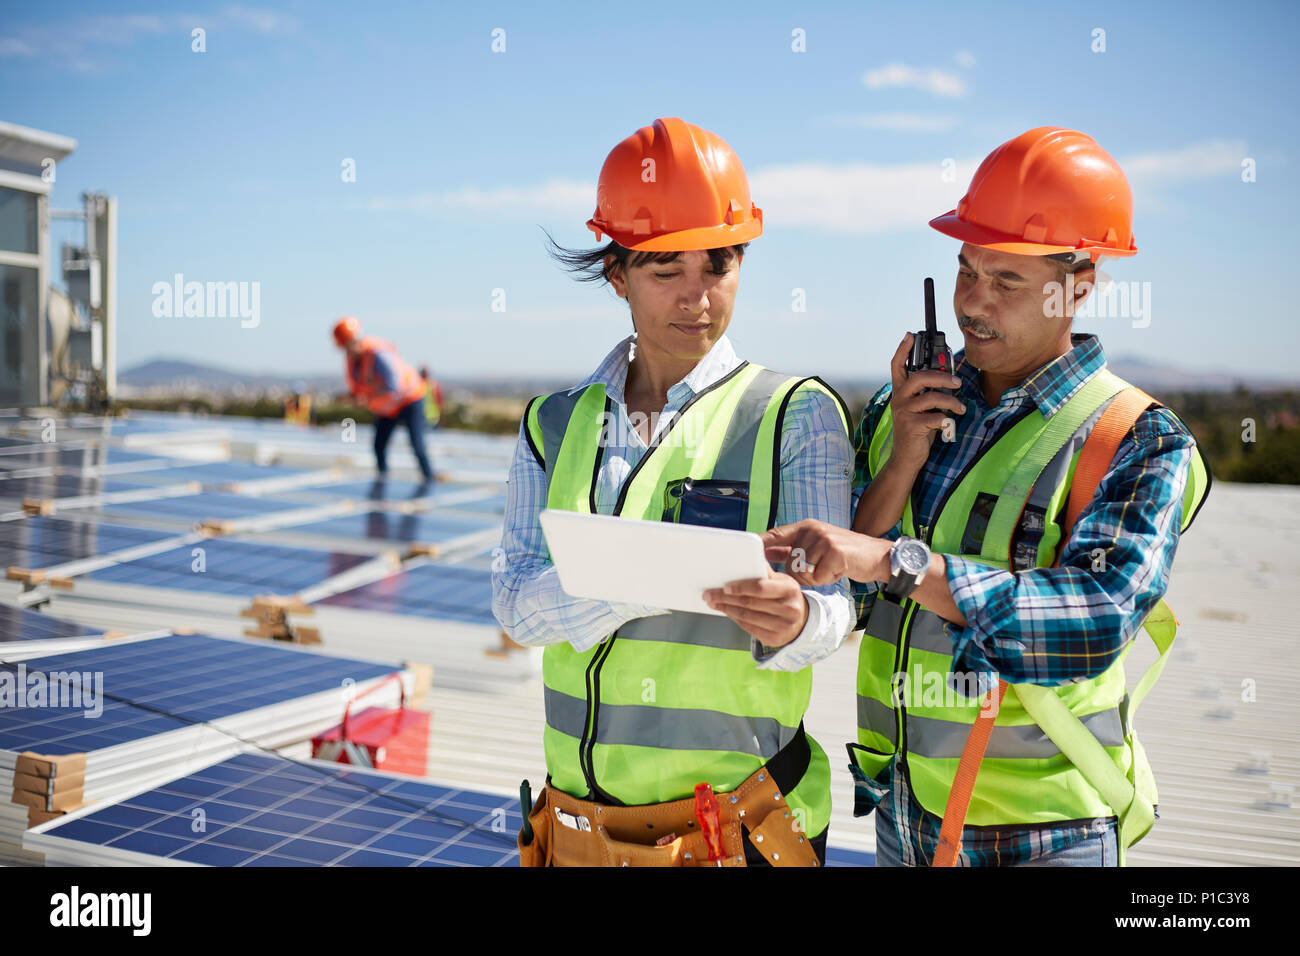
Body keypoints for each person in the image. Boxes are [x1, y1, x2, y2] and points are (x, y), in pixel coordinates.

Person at [761, 127, 1210, 867]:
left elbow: (1096, 619)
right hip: (902, 812)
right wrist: (902, 462)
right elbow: (848, 594)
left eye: (1006, 282)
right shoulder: (904, 408)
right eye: (966, 271)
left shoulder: (1137, 437)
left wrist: (899, 563)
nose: (973, 302)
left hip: (1045, 833)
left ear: (1078, 286)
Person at [491, 117, 856, 867]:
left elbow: (834, 610)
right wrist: (634, 581)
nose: (697, 299)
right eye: (665, 272)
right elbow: (516, 606)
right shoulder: (552, 424)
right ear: (616, 274)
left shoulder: (796, 416)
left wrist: (798, 622)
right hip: (578, 834)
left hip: (737, 834)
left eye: (718, 267)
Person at [332, 316, 434, 483]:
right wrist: (350, 397)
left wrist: (366, 398)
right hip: (387, 407)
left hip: (409, 399)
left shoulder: (378, 354)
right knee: (379, 446)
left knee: (417, 446)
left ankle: (429, 479)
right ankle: (382, 480)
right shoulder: (353, 360)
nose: (346, 350)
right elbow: (363, 387)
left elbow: (393, 387)